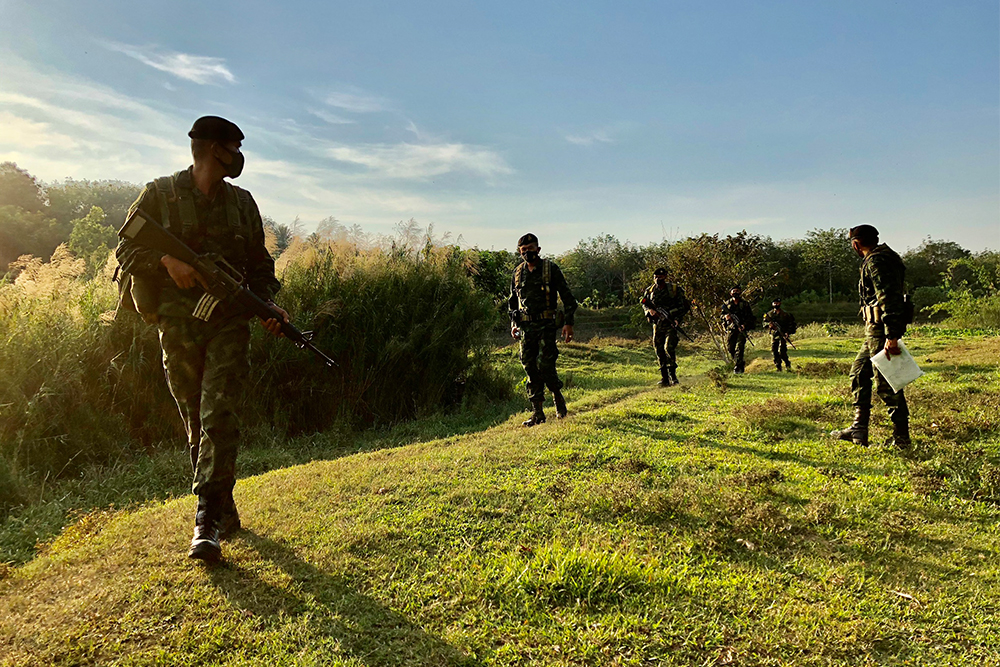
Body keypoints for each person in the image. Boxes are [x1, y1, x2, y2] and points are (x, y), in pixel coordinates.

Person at [115, 116, 287, 562]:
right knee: (195, 418)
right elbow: (126, 246)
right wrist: (167, 261)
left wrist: (268, 305)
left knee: (220, 413)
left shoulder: (243, 204)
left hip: (228, 321)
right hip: (176, 324)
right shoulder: (160, 194)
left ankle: (205, 520)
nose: (240, 157)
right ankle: (223, 510)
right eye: (234, 147)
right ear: (215, 149)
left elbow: (259, 263)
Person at [831, 225, 912, 449]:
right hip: (876, 328)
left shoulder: (877, 261)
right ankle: (859, 428)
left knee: (886, 382)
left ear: (856, 244)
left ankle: (901, 437)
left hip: (881, 329)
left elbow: (888, 297)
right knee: (858, 373)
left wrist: (892, 336)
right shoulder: (886, 256)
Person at [508, 233, 578, 426]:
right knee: (529, 367)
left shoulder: (550, 269)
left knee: (546, 367)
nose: (527, 254)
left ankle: (557, 397)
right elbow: (513, 302)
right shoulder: (517, 273)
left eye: (530, 250)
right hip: (526, 328)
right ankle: (537, 413)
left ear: (538, 250)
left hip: (547, 326)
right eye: (523, 251)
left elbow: (568, 299)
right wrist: (513, 323)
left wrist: (568, 323)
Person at [640, 267, 691, 386]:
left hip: (671, 323)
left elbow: (683, 306)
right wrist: (649, 311)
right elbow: (644, 304)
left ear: (666, 277)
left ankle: (673, 375)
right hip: (657, 324)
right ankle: (664, 377)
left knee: (669, 348)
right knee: (658, 349)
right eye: (656, 277)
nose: (658, 279)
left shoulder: (674, 289)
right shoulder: (650, 290)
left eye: (661, 277)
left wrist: (677, 319)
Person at [721, 286, 756, 373]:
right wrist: (726, 317)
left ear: (740, 292)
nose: (736, 292)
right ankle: (739, 363)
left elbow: (750, 317)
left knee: (740, 348)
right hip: (731, 328)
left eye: (737, 291)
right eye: (734, 291)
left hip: (741, 329)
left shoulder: (745, 304)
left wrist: (745, 325)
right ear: (730, 293)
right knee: (730, 348)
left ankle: (737, 367)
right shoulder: (727, 304)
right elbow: (721, 316)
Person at [762, 298, 796, 372]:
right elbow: (764, 324)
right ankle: (778, 366)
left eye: (777, 303)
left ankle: (787, 363)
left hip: (783, 334)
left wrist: (788, 332)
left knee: (782, 351)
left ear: (780, 303)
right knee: (774, 351)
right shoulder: (769, 314)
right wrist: (769, 325)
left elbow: (791, 324)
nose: (776, 304)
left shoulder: (786, 314)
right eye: (774, 303)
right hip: (774, 335)